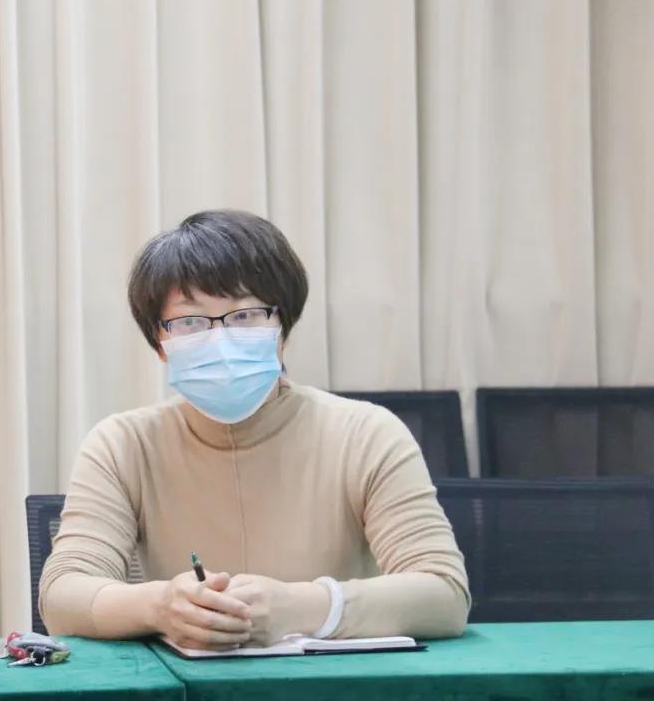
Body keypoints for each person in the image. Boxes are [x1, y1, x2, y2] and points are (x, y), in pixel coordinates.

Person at [39, 209, 469, 650]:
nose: (220, 338)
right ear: (160, 342)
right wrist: (162, 605)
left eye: (245, 315)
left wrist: (300, 607)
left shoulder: (367, 434)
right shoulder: (123, 445)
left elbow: (444, 593)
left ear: (283, 327)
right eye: (190, 321)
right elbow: (62, 595)